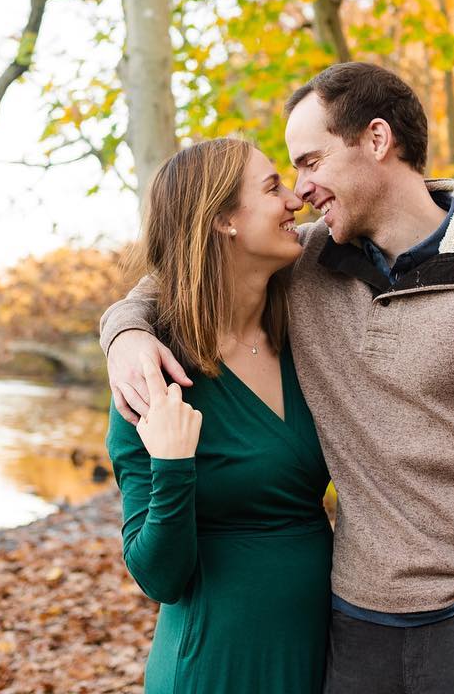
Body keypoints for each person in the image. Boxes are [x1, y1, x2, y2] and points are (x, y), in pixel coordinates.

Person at [103, 62, 454, 693]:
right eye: (287, 175)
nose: (301, 190)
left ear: (378, 141)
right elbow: (192, 264)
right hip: (354, 630)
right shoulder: (309, 261)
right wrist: (125, 331)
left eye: (310, 162)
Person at [104, 137, 333, 694]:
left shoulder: (307, 328)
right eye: (272, 187)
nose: (294, 200)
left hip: (326, 652)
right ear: (224, 219)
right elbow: (159, 577)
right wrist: (173, 464)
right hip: (217, 666)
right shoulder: (154, 373)